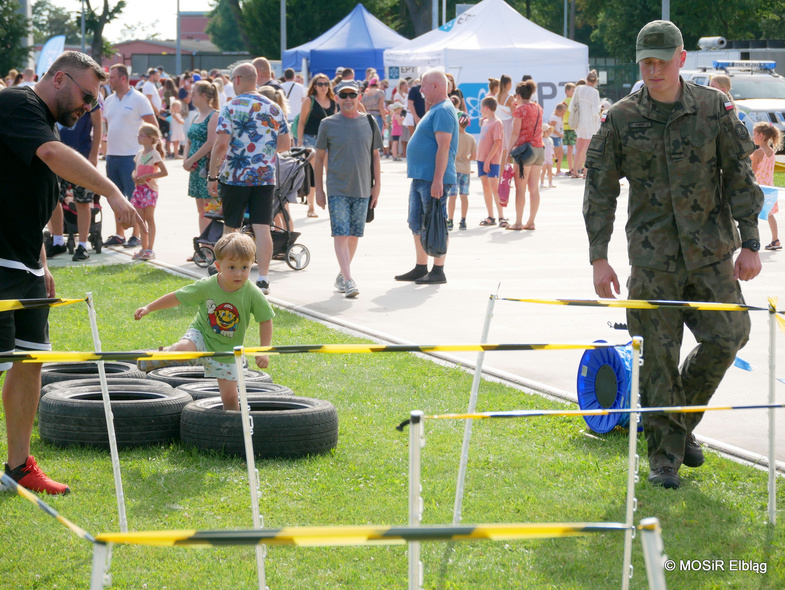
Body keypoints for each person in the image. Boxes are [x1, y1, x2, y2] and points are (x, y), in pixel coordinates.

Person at [583, 20, 763, 490]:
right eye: (646, 62)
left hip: (709, 254)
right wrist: (598, 256)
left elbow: (740, 177)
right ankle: (664, 458)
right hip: (652, 260)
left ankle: (678, 427)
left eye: (663, 60)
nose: (654, 69)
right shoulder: (620, 118)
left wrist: (750, 242)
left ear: (682, 58)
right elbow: (599, 191)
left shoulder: (713, 108)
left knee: (731, 335)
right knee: (658, 360)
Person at [0, 50, 139, 495]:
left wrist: (41, 263)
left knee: (30, 361)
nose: (89, 107)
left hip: (26, 262)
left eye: (95, 101)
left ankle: (18, 468)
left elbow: (24, 201)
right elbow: (52, 153)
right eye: (87, 95)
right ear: (59, 79)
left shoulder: (42, 120)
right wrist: (113, 191)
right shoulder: (18, 104)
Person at [134, 233, 274, 411]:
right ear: (218, 266)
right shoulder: (206, 286)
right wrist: (149, 308)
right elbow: (177, 297)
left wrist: (264, 351)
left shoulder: (252, 292)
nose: (238, 273)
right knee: (183, 351)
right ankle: (165, 354)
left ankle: (233, 430)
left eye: (244, 267)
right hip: (201, 334)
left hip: (227, 350)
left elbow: (265, 319)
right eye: (231, 267)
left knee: (231, 400)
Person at [207, 63, 291, 295]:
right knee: (262, 228)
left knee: (231, 227)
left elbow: (221, 144)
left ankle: (228, 273)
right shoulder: (274, 107)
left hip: (236, 175)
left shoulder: (231, 107)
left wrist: (213, 175)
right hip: (264, 177)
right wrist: (262, 152)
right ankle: (262, 279)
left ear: (236, 80)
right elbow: (285, 145)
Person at [313, 81, 382, 299]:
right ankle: (349, 279)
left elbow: (375, 156)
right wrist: (320, 190)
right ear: (337, 98)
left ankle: (343, 274)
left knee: (354, 235)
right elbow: (319, 158)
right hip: (337, 188)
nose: (348, 99)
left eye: (352, 94)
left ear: (359, 96)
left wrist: (377, 186)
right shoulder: (327, 124)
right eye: (344, 95)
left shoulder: (370, 122)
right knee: (341, 233)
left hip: (362, 187)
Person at [395, 69, 458, 285]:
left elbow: (444, 147)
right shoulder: (435, 109)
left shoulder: (443, 111)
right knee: (417, 222)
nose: (420, 90)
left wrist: (438, 180)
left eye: (423, 86)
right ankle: (421, 267)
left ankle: (438, 270)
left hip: (433, 179)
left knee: (436, 222)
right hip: (422, 177)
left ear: (435, 86)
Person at [103, 64, 157, 248]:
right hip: (112, 155)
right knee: (115, 197)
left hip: (132, 156)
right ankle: (119, 234)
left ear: (123, 78)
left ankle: (136, 235)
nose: (109, 80)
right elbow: (109, 126)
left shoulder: (139, 99)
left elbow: (153, 126)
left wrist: (152, 155)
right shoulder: (109, 100)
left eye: (112, 77)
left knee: (135, 198)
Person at [46, 100, 103, 262]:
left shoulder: (90, 97)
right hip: (58, 155)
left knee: (83, 201)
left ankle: (83, 246)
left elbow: (98, 125)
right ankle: (57, 241)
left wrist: (94, 155)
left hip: (82, 156)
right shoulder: (58, 94)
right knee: (52, 198)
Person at [183, 80, 220, 235]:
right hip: (195, 168)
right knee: (201, 210)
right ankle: (203, 245)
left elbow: (211, 143)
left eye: (194, 93)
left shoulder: (214, 115)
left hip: (206, 167)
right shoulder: (197, 115)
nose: (191, 96)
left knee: (211, 208)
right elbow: (189, 140)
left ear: (203, 96)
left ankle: (212, 245)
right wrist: (186, 160)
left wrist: (191, 160)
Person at [507, 80, 544, 231]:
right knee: (534, 189)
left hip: (524, 152)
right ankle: (531, 221)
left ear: (519, 95)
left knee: (520, 189)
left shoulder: (520, 110)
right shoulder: (538, 107)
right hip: (539, 149)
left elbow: (516, 132)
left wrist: (508, 151)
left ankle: (518, 222)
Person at [298, 74, 337, 217]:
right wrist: (300, 142)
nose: (323, 87)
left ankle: (333, 205)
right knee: (314, 174)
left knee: (331, 173)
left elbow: (337, 123)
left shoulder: (333, 101)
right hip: (311, 140)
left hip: (329, 140)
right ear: (314, 86)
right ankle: (311, 207)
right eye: (320, 84)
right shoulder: (310, 101)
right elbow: (302, 122)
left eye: (326, 84)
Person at [129, 123, 168, 260]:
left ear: (151, 138)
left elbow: (164, 172)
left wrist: (147, 177)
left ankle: (150, 249)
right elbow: (136, 169)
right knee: (140, 220)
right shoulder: (139, 154)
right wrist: (134, 175)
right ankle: (143, 248)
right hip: (139, 189)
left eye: (141, 135)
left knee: (149, 219)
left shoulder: (154, 154)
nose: (138, 138)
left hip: (149, 190)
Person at [750, 121, 782, 251]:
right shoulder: (771, 152)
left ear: (761, 135)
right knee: (770, 214)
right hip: (769, 189)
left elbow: (751, 172)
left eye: (754, 134)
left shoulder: (759, 153)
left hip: (758, 188)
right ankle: (775, 240)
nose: (753, 137)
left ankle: (752, 242)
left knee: (751, 216)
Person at [477, 96, 505, 227]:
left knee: (495, 188)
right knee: (486, 187)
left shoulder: (497, 122)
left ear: (486, 108)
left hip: (491, 160)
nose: (480, 109)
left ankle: (501, 216)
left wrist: (488, 159)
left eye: (481, 107)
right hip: (481, 159)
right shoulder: (485, 121)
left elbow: (497, 142)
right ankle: (491, 216)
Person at [571, 70, 601, 179]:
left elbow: (572, 105)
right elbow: (595, 111)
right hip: (590, 121)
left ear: (586, 79)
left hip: (580, 120)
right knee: (588, 148)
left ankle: (575, 171)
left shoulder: (579, 89)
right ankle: (585, 171)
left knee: (579, 147)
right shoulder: (594, 92)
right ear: (595, 81)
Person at [448, 114, 475, 231]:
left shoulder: (453, 137)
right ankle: (463, 220)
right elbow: (474, 156)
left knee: (452, 196)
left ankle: (450, 220)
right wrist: (466, 159)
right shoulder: (471, 138)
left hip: (454, 168)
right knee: (464, 195)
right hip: (466, 169)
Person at [494, 75, 516, 185]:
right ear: (508, 84)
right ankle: (503, 179)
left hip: (498, 124)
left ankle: (501, 178)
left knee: (501, 153)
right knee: (506, 154)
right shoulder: (510, 97)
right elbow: (515, 113)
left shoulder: (497, 96)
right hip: (507, 125)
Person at [281, 68, 306, 136]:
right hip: (297, 117)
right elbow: (304, 102)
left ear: (285, 77)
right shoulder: (301, 87)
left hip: (285, 116)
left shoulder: (280, 87)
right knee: (297, 138)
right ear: (294, 77)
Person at [363, 78, 387, 142]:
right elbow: (381, 107)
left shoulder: (365, 95)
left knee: (369, 138)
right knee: (377, 138)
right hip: (377, 116)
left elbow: (364, 108)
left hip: (367, 117)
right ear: (378, 85)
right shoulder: (380, 93)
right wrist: (385, 120)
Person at [561, 83, 577, 177]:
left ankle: (571, 168)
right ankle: (574, 168)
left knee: (570, 149)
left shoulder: (564, 101)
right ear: (567, 91)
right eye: (572, 90)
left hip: (567, 126)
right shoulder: (570, 100)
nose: (573, 92)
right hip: (571, 126)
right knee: (573, 148)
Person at [549, 103, 566, 175]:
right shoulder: (554, 118)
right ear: (558, 111)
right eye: (562, 113)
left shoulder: (557, 117)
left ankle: (558, 170)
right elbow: (551, 128)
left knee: (560, 153)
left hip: (558, 138)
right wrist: (560, 134)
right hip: (555, 138)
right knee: (554, 154)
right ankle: (549, 170)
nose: (563, 115)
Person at [539, 124, 555, 189]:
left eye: (549, 131)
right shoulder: (541, 140)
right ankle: (542, 183)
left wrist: (554, 156)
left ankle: (550, 183)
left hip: (549, 158)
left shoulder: (550, 140)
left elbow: (552, 149)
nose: (548, 133)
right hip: (544, 158)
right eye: (547, 131)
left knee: (550, 171)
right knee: (544, 170)